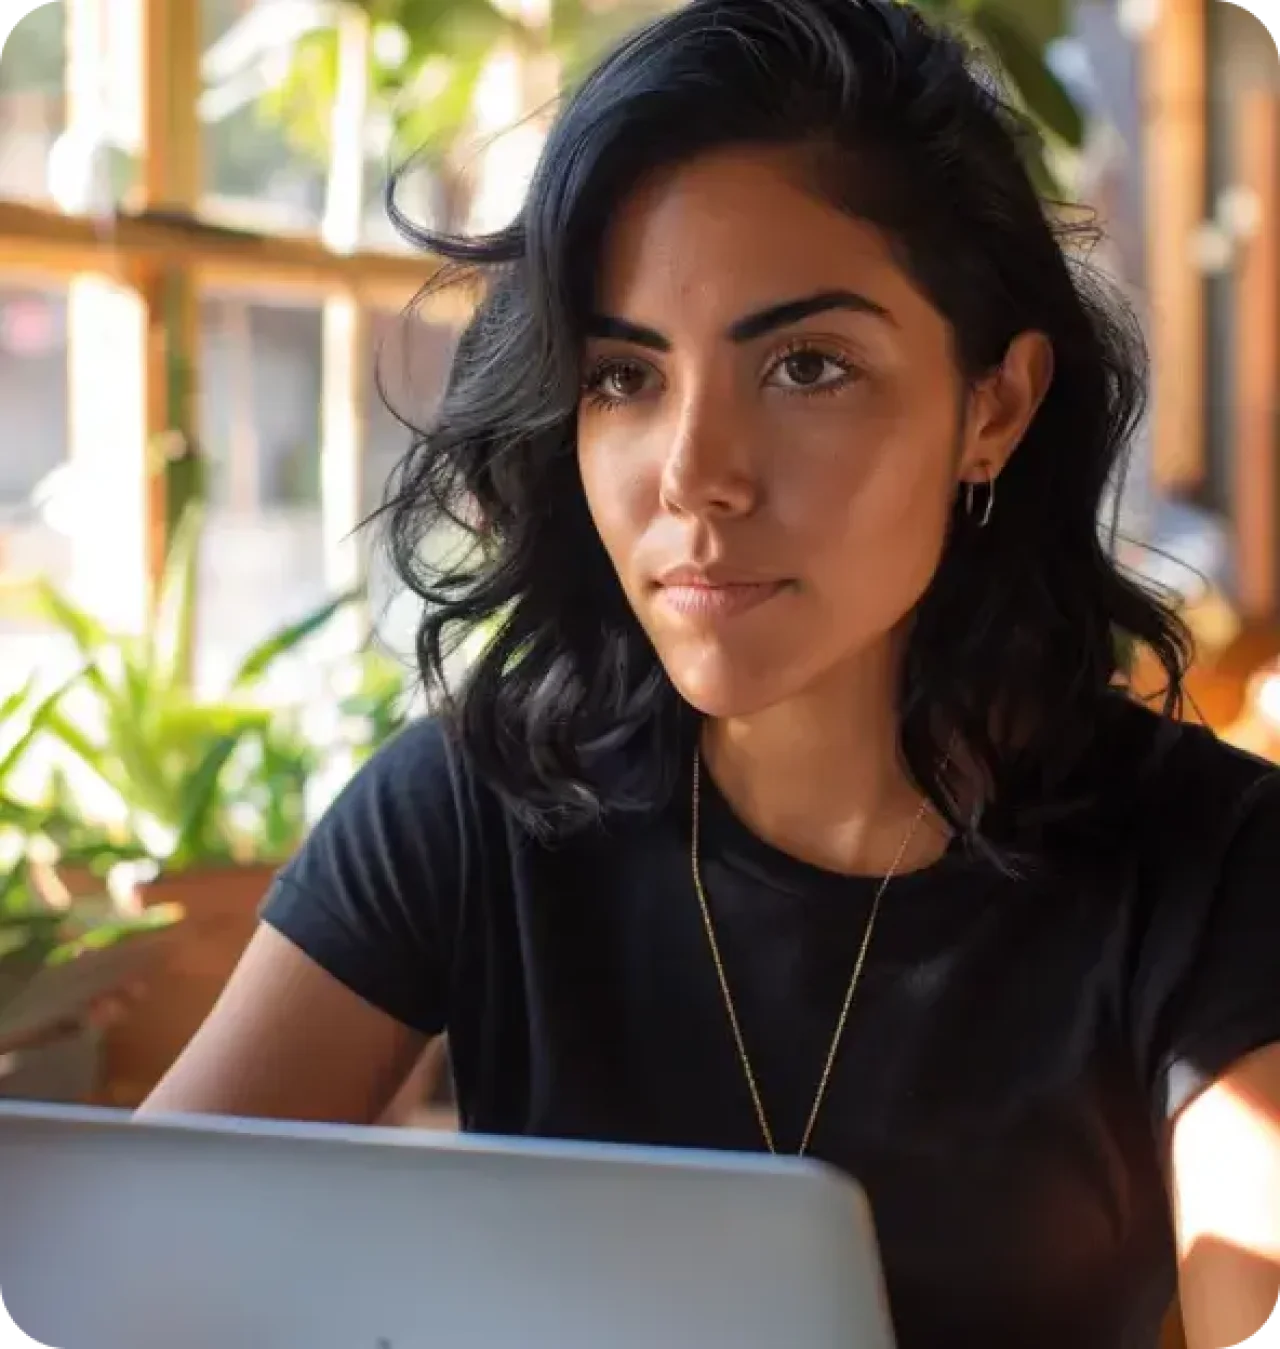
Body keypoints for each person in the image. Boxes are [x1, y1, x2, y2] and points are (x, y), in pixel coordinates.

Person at [140, 2, 1280, 1346]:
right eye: (627, 374)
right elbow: (131, 1277)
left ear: (995, 408)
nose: (692, 476)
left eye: (807, 365)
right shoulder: (469, 807)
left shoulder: (1216, 866)